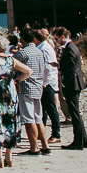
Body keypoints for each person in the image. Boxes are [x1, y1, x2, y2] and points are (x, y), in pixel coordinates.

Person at [0, 34, 31, 168]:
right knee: (10, 122)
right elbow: (28, 71)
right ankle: (9, 156)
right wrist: (16, 80)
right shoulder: (11, 60)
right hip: (10, 92)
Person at [14, 27, 50, 156]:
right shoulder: (38, 51)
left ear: (22, 38)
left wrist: (16, 79)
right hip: (38, 86)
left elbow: (11, 64)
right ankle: (45, 146)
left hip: (26, 87)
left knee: (29, 119)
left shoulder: (23, 53)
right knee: (38, 118)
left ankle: (34, 148)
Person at [54, 27, 87, 150]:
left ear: (63, 36)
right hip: (76, 83)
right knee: (76, 112)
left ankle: (78, 142)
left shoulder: (69, 49)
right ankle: (83, 140)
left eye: (57, 39)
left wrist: (64, 82)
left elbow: (70, 70)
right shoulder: (73, 47)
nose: (57, 41)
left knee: (74, 113)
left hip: (72, 84)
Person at [38, 28, 62, 144]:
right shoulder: (43, 47)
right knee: (44, 109)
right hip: (46, 82)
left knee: (51, 108)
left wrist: (44, 82)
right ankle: (41, 132)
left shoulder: (45, 48)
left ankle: (56, 133)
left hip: (47, 83)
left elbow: (48, 67)